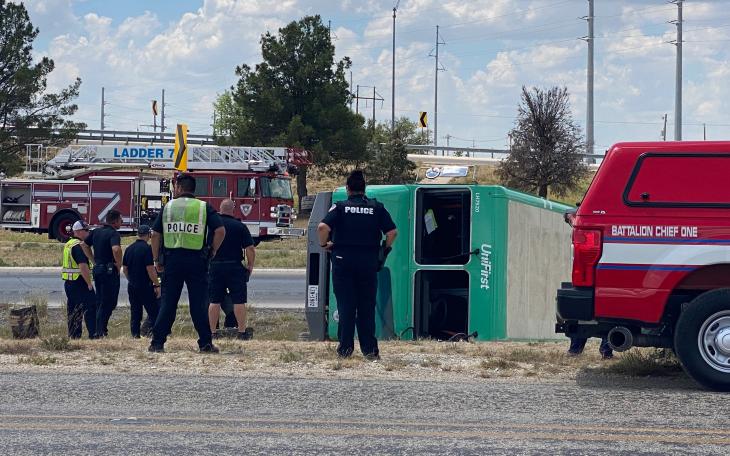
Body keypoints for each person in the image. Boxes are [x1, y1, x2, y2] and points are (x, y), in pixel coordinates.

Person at [317, 170, 397, 360]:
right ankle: (370, 351)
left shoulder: (340, 207)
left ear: (347, 189)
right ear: (364, 189)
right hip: (368, 262)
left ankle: (345, 350)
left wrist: (324, 244)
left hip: (343, 261)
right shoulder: (376, 208)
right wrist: (383, 250)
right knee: (366, 307)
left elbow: (322, 227)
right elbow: (392, 232)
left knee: (346, 306)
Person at [149, 173, 225, 353]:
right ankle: (205, 343)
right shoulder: (203, 207)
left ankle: (157, 343)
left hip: (172, 260)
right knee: (198, 304)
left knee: (168, 303)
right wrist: (212, 251)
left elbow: (155, 234)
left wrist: (156, 259)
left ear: (180, 188)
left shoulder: (168, 207)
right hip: (197, 261)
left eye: (175, 187)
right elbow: (220, 231)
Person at [208, 199, 256, 340]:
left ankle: (213, 332)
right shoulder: (239, 226)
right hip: (235, 266)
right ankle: (241, 332)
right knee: (239, 300)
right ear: (233, 210)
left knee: (214, 300)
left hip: (215, 266)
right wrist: (250, 265)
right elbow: (250, 248)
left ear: (220, 209)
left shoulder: (212, 226)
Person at [82, 209, 122, 337]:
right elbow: (116, 249)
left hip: (98, 269)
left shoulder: (96, 232)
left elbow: (84, 245)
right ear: (115, 222)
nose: (121, 222)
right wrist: (119, 263)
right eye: (120, 220)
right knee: (109, 301)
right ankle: (100, 331)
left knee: (100, 300)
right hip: (109, 271)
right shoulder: (113, 234)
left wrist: (93, 260)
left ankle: (100, 329)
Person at [122, 225, 160, 338]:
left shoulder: (129, 248)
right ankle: (155, 334)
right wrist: (157, 284)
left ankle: (135, 335)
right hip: (145, 285)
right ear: (149, 235)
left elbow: (125, 269)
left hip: (132, 285)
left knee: (135, 312)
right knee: (153, 311)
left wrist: (131, 280)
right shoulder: (147, 249)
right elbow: (150, 269)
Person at [61, 220, 97, 339]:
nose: (88, 233)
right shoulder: (78, 246)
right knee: (91, 308)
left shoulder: (69, 244)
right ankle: (93, 335)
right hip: (80, 282)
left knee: (73, 310)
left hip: (70, 283)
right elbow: (83, 266)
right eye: (86, 230)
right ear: (79, 232)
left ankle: (74, 336)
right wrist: (89, 284)